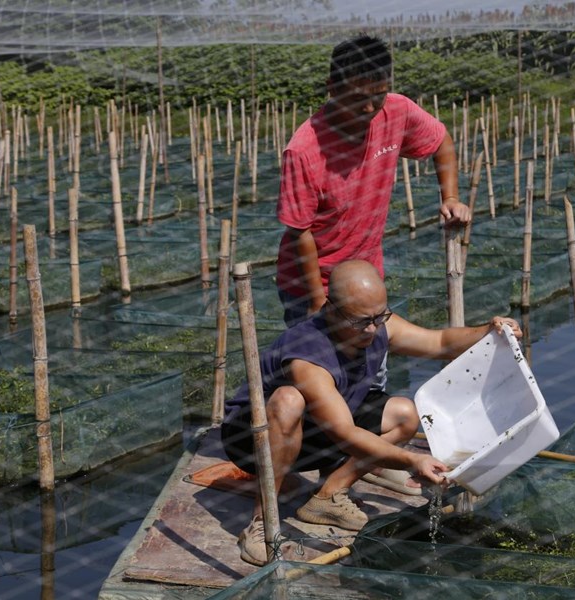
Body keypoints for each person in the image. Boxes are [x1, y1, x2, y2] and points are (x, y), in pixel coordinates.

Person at [221, 259, 522, 566]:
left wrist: (489, 330)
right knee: (288, 400)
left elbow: (440, 342)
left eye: (380, 317)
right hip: (254, 440)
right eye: (361, 321)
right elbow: (346, 434)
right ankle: (261, 524)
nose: (372, 329)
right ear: (330, 309)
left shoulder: (377, 324)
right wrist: (412, 459)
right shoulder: (307, 354)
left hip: (314, 432)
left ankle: (327, 497)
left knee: (404, 413)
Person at [276, 34, 470, 326]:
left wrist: (451, 197)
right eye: (356, 98)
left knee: (372, 367)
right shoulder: (304, 150)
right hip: (312, 285)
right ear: (332, 89)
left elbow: (441, 140)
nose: (369, 107)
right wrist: (317, 302)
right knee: (320, 366)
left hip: (366, 277)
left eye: (377, 95)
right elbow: (299, 231)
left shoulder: (397, 111)